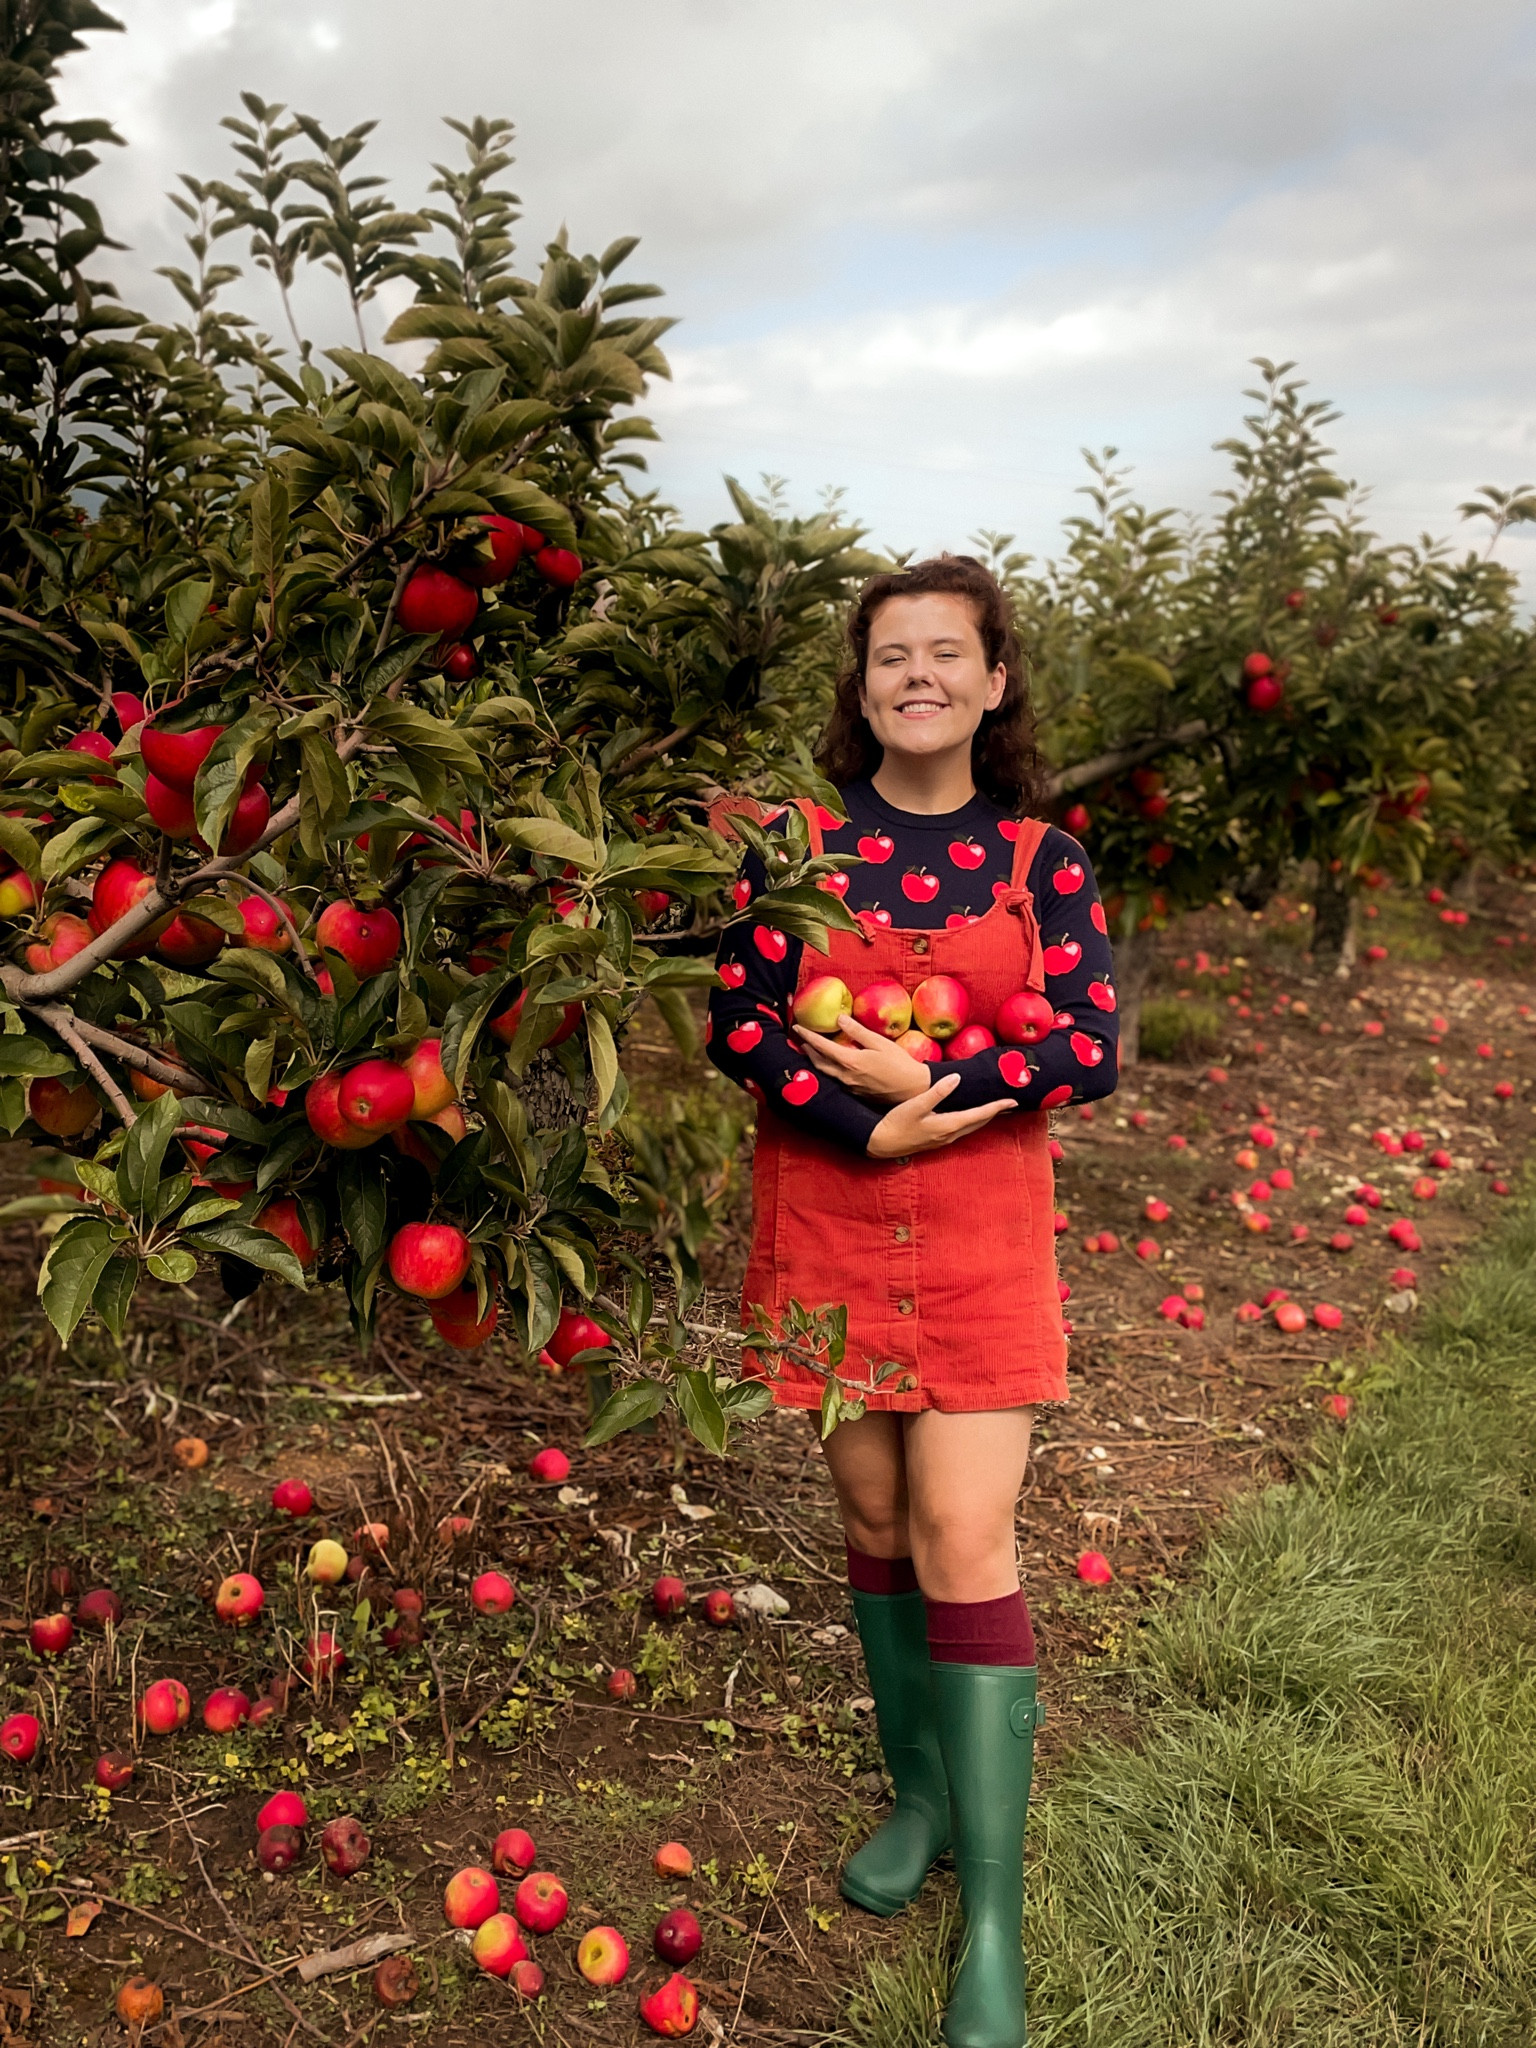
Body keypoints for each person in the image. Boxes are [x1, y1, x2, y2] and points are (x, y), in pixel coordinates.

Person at [706, 555, 1119, 2048]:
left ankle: (993, 1922)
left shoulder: (1038, 861)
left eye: (949, 653)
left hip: (981, 1246)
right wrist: (856, 1121)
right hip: (828, 1217)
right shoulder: (797, 849)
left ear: (994, 684)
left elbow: (1089, 1044)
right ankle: (923, 1796)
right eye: (893, 655)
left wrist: (933, 1088)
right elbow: (740, 1018)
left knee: (964, 1530)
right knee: (874, 1523)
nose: (920, 674)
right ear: (863, 686)